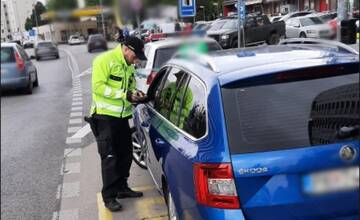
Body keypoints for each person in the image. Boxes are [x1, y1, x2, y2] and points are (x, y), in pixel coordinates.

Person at [87, 36, 147, 212]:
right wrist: (125, 95)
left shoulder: (128, 66)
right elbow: (98, 87)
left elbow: (130, 86)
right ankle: (109, 196)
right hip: (104, 118)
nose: (135, 60)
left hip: (122, 117)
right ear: (126, 48)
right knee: (110, 158)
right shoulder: (104, 60)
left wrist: (136, 94)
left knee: (125, 155)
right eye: (135, 56)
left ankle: (122, 188)